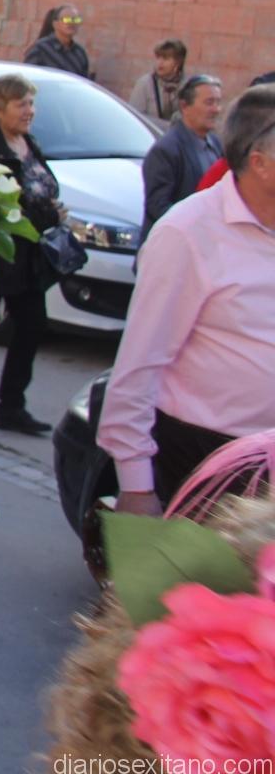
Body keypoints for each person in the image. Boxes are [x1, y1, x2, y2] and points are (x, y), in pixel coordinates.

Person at [100, 85, 275, 513]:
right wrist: (136, 485)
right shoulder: (188, 233)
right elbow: (139, 364)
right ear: (261, 163)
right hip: (206, 460)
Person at [0, 73, 64, 436]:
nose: (29, 111)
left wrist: (51, 211)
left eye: (31, 103)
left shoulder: (28, 142)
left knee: (32, 325)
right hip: (0, 258)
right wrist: (49, 214)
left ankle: (11, 406)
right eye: (21, 104)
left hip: (30, 259)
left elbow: (43, 187)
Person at [141, 74, 224, 241]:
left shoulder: (216, 144)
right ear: (184, 106)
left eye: (218, 102)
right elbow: (158, 205)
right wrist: (195, 228)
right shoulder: (166, 150)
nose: (216, 109)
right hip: (171, 244)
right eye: (209, 102)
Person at [128, 38, 187, 123]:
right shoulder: (145, 83)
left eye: (166, 58)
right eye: (158, 58)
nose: (160, 62)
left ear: (178, 62)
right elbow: (134, 116)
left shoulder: (186, 86)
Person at [23, 4, 90, 78]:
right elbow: (28, 77)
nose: (71, 23)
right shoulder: (40, 49)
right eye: (66, 19)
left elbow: (84, 80)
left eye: (76, 20)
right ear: (55, 24)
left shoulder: (80, 53)